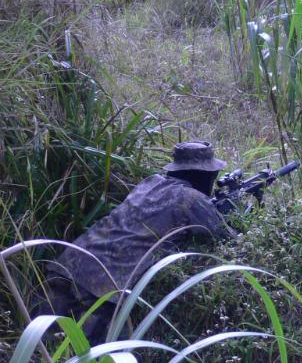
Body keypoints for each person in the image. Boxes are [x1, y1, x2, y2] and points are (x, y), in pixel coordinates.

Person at [34, 141, 231, 343]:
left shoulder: (150, 182)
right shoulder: (192, 198)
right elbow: (226, 237)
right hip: (103, 287)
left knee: (38, 347)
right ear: (203, 174)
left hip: (71, 263)